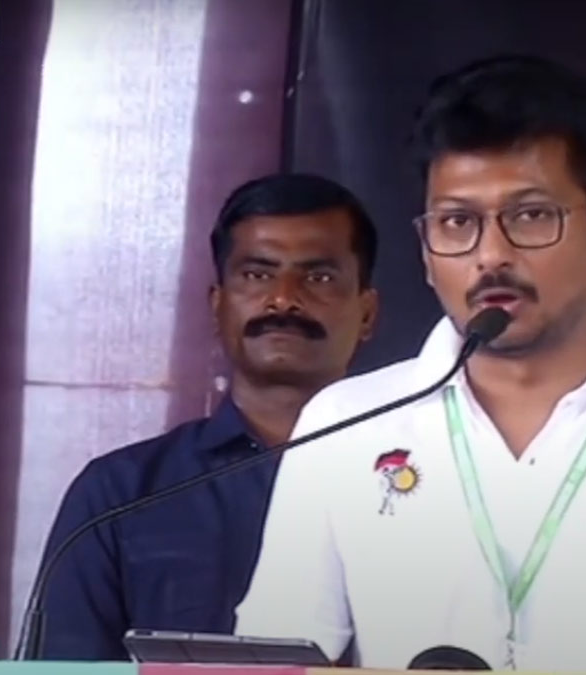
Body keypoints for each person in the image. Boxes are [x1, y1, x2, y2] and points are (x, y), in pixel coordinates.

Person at [233, 56, 586, 674]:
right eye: (457, 223)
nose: (491, 255)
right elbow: (274, 661)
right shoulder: (347, 420)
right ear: (426, 251)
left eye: (531, 216)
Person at [35, 173, 379, 660]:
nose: (284, 298)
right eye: (257, 275)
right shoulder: (121, 494)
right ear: (218, 305)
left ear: (367, 313)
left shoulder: (421, 481)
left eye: (318, 276)